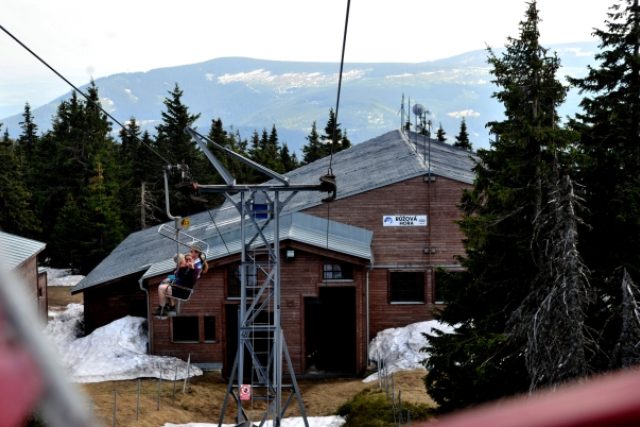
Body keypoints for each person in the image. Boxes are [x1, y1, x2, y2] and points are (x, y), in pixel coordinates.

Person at [153, 243, 207, 317]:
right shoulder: (185, 266)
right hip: (178, 285)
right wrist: (170, 276)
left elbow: (191, 278)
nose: (190, 254)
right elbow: (176, 274)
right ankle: (171, 306)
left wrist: (190, 268)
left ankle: (163, 308)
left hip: (183, 290)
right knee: (164, 282)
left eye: (192, 252)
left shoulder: (195, 267)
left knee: (162, 287)